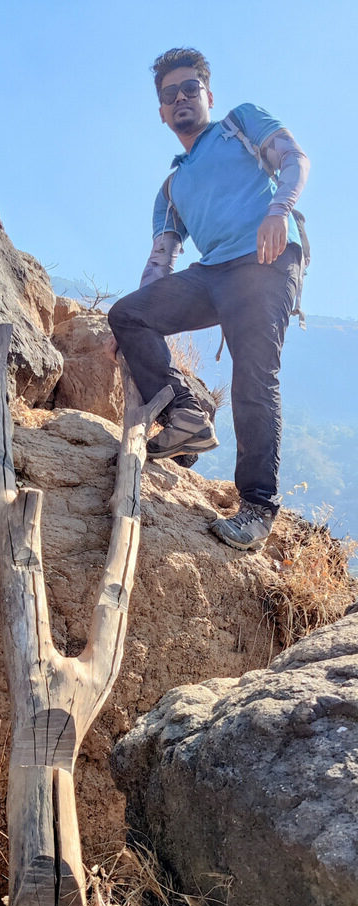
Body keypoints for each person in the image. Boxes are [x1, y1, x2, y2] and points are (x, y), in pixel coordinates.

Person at [108, 47, 310, 552]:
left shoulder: (239, 123)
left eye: (189, 89)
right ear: (160, 111)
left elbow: (294, 158)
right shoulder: (173, 185)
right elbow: (161, 260)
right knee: (127, 314)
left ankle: (259, 507)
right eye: (169, 94)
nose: (180, 99)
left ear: (208, 94)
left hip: (265, 260)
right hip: (212, 272)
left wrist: (278, 209)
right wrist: (134, 332)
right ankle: (187, 415)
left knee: (253, 377)